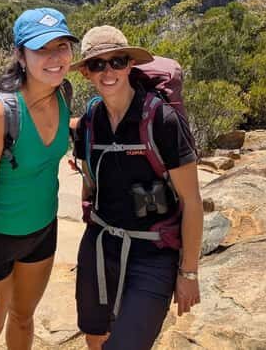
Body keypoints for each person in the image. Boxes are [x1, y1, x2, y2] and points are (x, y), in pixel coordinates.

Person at [71, 26, 203, 350]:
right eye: (98, 65)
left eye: (117, 61)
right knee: (95, 335)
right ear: (86, 72)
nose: (109, 72)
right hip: (100, 247)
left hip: (153, 253)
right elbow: (91, 184)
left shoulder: (160, 120)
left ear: (130, 64)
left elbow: (192, 200)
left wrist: (188, 272)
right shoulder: (90, 122)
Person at [0, 7, 78, 350]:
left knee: (24, 318)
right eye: (42, 49)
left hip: (41, 232)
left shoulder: (62, 94)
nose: (55, 58)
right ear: (20, 56)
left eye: (62, 46)